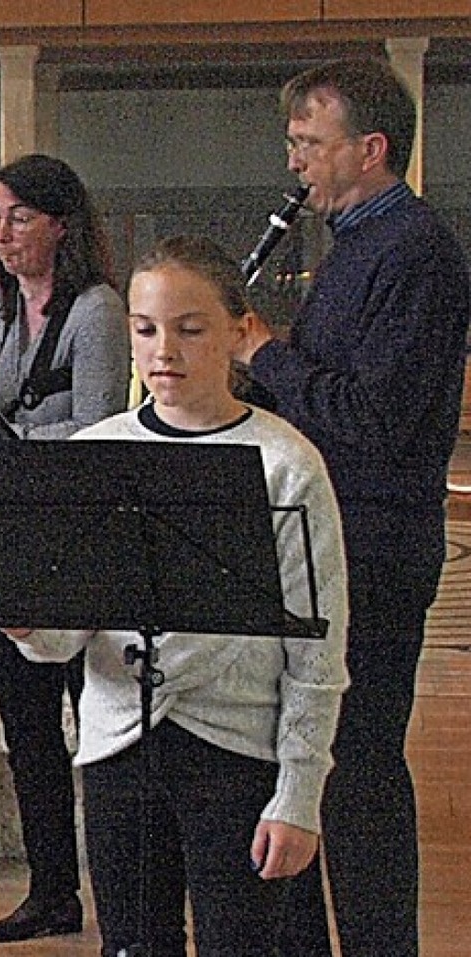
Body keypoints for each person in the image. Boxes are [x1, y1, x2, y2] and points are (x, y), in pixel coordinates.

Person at [2, 235, 349, 957]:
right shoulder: (96, 450)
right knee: (131, 943)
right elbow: (70, 635)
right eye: (146, 328)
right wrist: (31, 624)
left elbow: (318, 651)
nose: (165, 349)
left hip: (238, 751)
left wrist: (299, 794)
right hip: (118, 749)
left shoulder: (286, 463)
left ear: (235, 331)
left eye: (190, 329)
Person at [233, 59, 471, 957]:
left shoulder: (414, 252)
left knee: (359, 769)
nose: (297, 164)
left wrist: (265, 355)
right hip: (333, 533)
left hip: (373, 541)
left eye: (310, 144)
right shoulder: (361, 245)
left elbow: (371, 424)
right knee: (317, 767)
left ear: (371, 151)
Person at [0, 153, 131, 942]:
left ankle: (123, 891)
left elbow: (102, 428)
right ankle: (52, 889)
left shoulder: (97, 309)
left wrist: (12, 439)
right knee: (28, 726)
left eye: (19, 218)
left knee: (95, 717)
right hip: (15, 536)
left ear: (61, 224)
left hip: (77, 536)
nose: (3, 234)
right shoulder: (4, 306)